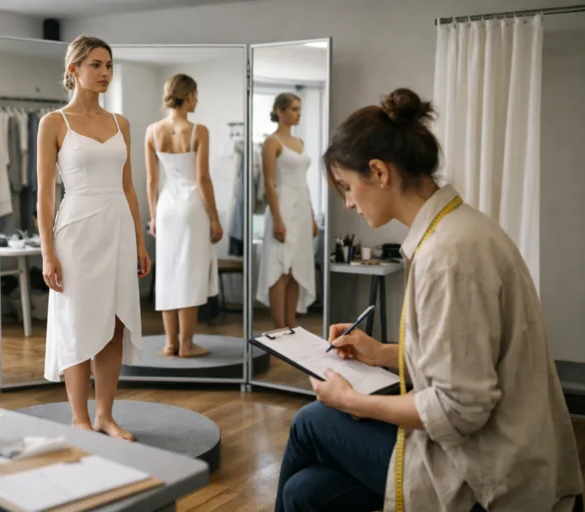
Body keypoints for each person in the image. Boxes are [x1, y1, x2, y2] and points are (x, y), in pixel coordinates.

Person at [275, 88, 583, 512]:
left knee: (312, 421)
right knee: (304, 490)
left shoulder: (449, 254)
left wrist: (353, 402)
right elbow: (466, 362)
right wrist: (381, 353)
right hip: (490, 445)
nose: (348, 203)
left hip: (489, 474)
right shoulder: (457, 228)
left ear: (379, 172)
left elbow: (459, 409)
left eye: (347, 187)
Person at [37, 35, 151, 442]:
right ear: (74, 70)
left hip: (117, 228)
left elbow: (129, 187)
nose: (105, 73)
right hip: (76, 232)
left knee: (115, 322)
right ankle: (79, 418)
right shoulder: (54, 123)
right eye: (96, 65)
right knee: (77, 321)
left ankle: (104, 415)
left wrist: (140, 242)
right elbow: (44, 196)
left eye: (109, 65)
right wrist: (47, 253)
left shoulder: (122, 123)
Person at [145, 73, 222, 358]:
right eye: (196, 95)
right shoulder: (199, 131)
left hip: (166, 208)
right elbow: (202, 179)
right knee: (190, 274)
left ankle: (170, 343)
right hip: (191, 208)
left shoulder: (152, 131)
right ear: (187, 96)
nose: (197, 100)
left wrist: (153, 216)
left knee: (167, 273)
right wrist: (215, 219)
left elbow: (152, 181)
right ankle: (187, 344)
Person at [256, 92, 318, 329]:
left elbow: (304, 183)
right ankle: (279, 329)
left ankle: (292, 327)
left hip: (301, 208)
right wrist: (277, 219)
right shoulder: (271, 142)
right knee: (280, 268)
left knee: (296, 269)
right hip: (282, 206)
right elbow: (269, 183)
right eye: (293, 109)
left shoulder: (300, 143)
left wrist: (312, 217)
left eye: (299, 109)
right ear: (279, 111)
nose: (298, 114)